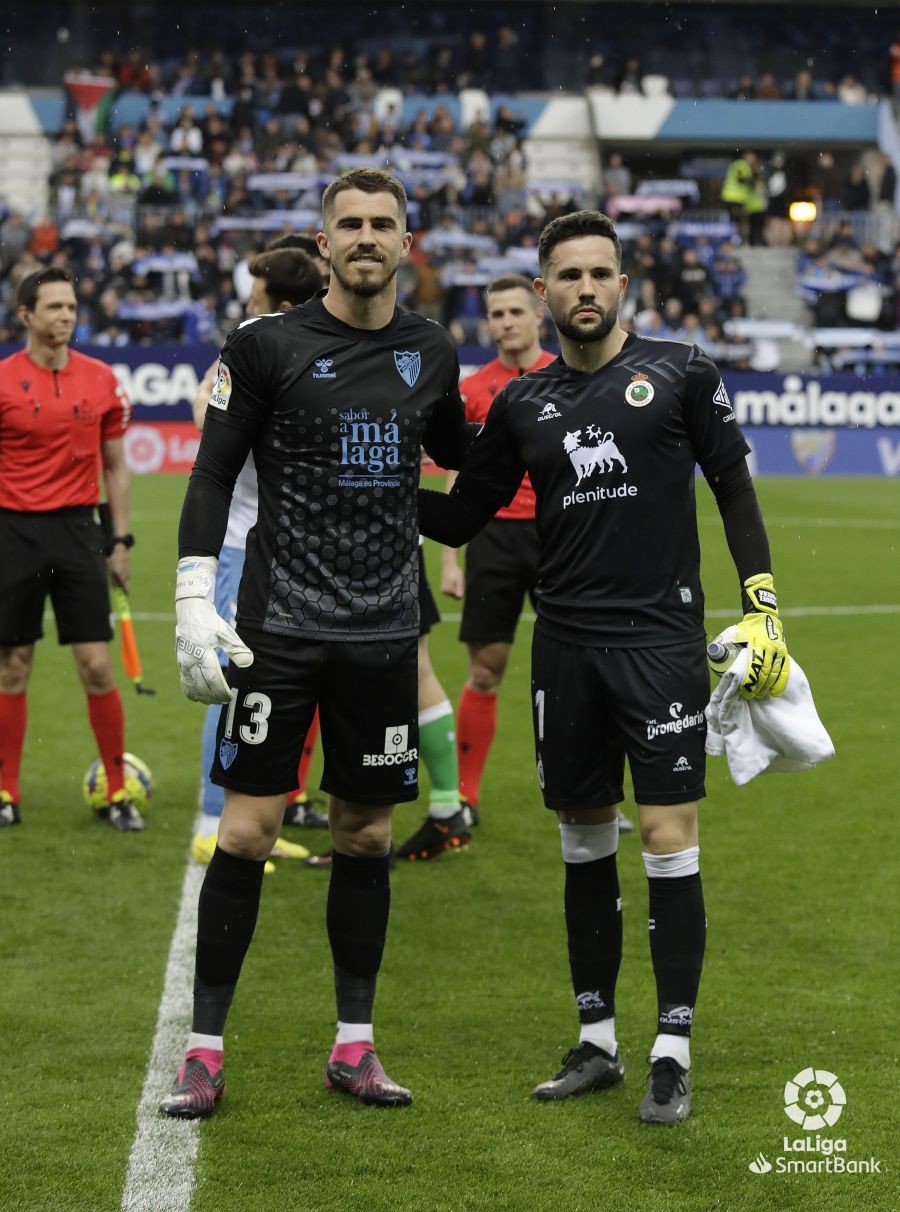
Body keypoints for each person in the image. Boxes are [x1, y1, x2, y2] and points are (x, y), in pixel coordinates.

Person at [416, 211, 790, 1124]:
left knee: (665, 836)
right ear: (543, 292)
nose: (584, 289)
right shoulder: (522, 404)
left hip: (661, 643)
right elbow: (461, 516)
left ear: (622, 285)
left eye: (599, 274)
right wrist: (364, 488)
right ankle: (597, 1042)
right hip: (567, 650)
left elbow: (734, 488)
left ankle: (672, 1050)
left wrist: (763, 605)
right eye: (568, 276)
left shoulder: (682, 371)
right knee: (583, 840)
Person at [162, 167, 473, 1118]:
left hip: (383, 635)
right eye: (351, 223)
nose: (367, 236)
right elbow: (213, 474)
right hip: (279, 629)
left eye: (384, 223)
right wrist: (190, 594)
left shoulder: (432, 350)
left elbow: (466, 470)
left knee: (365, 833)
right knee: (248, 831)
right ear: (325, 240)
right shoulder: (265, 344)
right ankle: (204, 1052)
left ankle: (354, 1047)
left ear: (407, 243)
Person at [402, 273, 636, 858]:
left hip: (563, 533)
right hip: (493, 538)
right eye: (496, 314)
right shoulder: (475, 388)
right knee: (486, 668)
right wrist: (451, 561)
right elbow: (458, 477)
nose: (506, 322)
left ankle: (603, 794)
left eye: (515, 312)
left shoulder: (570, 375)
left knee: (591, 665)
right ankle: (466, 796)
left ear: (538, 314)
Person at [190, 245, 327, 872]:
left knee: (276, 686)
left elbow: (205, 410)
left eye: (255, 293)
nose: (246, 304)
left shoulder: (281, 348)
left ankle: (255, 817)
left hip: (288, 549)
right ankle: (210, 821)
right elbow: (206, 418)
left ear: (280, 300)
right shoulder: (256, 346)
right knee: (231, 683)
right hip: (246, 545)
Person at [0, 267, 141, 830]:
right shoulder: (3, 380)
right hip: (12, 533)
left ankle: (118, 791)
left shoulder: (102, 379)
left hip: (80, 532)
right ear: (26, 315)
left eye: (71, 307)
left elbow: (116, 466)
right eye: (54, 307)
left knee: (97, 667)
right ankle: (6, 792)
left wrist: (121, 540)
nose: (66, 316)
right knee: (13, 666)